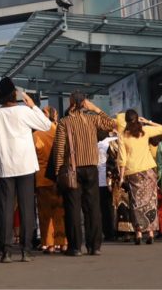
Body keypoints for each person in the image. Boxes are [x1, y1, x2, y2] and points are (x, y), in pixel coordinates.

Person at [0, 78, 50, 263]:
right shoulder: (24, 111)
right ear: (14, 93)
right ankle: (25, 249)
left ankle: (6, 250)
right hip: (26, 165)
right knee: (26, 208)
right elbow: (46, 125)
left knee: (6, 209)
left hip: (6, 166)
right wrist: (32, 106)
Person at [53, 92, 117, 256]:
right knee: (93, 207)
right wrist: (96, 109)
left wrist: (58, 173)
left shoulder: (64, 123)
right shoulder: (92, 119)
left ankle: (75, 247)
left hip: (72, 169)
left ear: (71, 103)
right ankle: (94, 246)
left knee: (73, 208)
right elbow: (112, 124)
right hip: (92, 168)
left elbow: (60, 150)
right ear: (84, 103)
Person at [117, 110, 162, 245]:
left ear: (126, 121)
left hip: (133, 172)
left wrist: (121, 177)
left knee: (136, 203)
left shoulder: (122, 136)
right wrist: (148, 122)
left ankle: (138, 233)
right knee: (151, 201)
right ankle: (150, 233)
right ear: (137, 119)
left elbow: (122, 158)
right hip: (148, 170)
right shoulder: (144, 131)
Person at [35, 105, 66, 254]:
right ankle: (63, 242)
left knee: (45, 212)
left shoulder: (36, 135)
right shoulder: (60, 131)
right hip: (60, 176)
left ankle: (49, 244)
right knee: (60, 211)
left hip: (42, 178)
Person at [96, 132, 115, 241]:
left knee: (102, 208)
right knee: (110, 207)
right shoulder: (110, 143)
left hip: (98, 180)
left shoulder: (95, 145)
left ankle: (107, 232)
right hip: (109, 180)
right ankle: (113, 231)